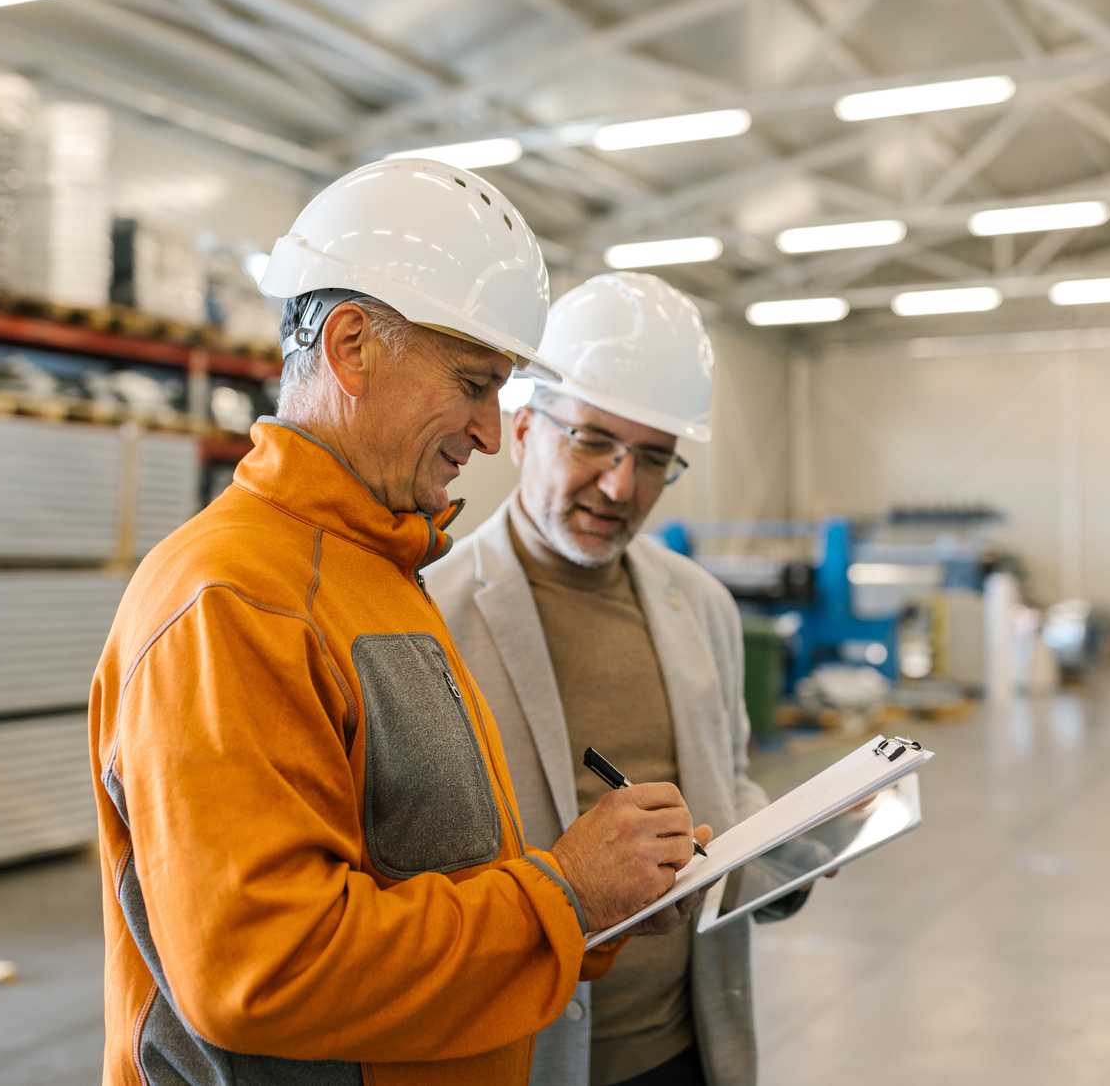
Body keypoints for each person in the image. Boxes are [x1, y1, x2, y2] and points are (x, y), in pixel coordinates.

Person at [88, 163, 701, 1086]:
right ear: (350, 347)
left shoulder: (374, 570)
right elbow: (265, 969)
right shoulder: (232, 599)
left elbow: (430, 877)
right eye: (471, 384)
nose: (492, 433)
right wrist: (563, 894)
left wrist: (596, 905)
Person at [426, 272, 810, 1086]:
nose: (619, 486)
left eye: (652, 459)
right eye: (593, 442)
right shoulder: (431, 615)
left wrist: (787, 850)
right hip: (520, 1053)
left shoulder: (698, 602)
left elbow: (725, 781)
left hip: (682, 1045)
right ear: (524, 427)